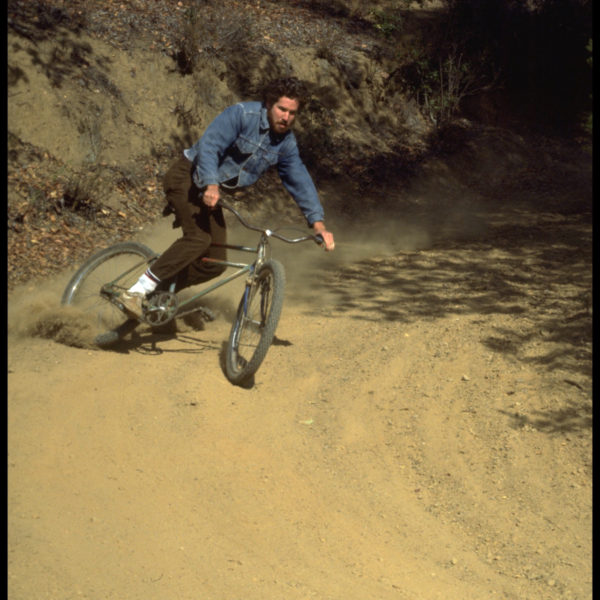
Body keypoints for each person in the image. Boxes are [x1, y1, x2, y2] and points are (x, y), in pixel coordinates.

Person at [119, 76, 335, 318]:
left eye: (292, 113)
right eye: (281, 109)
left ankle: (157, 296)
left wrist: (318, 226)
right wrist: (212, 184)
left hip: (211, 191)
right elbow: (210, 147)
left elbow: (299, 180)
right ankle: (136, 291)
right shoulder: (242, 114)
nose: (286, 117)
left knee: (214, 262)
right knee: (199, 239)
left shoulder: (286, 144)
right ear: (268, 104)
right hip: (188, 176)